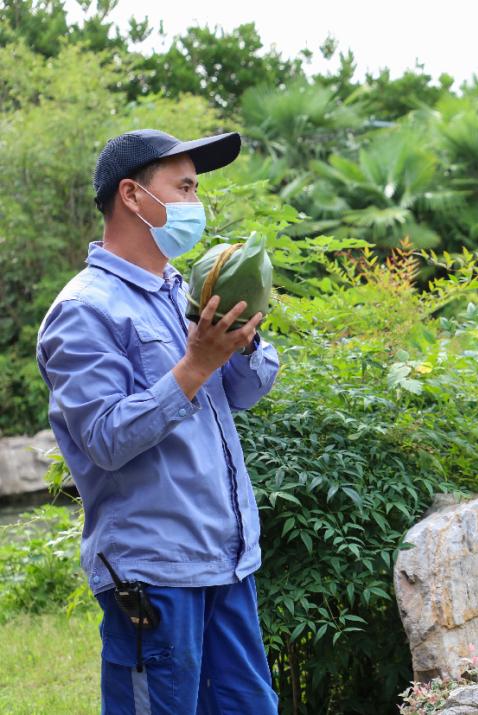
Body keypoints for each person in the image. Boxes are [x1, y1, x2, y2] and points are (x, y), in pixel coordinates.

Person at [35, 129, 280, 713]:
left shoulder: (185, 291)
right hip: (153, 575)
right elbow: (105, 438)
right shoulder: (83, 311)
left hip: (227, 562)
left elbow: (244, 394)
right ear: (132, 195)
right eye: (185, 188)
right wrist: (194, 365)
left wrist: (243, 343)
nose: (197, 204)